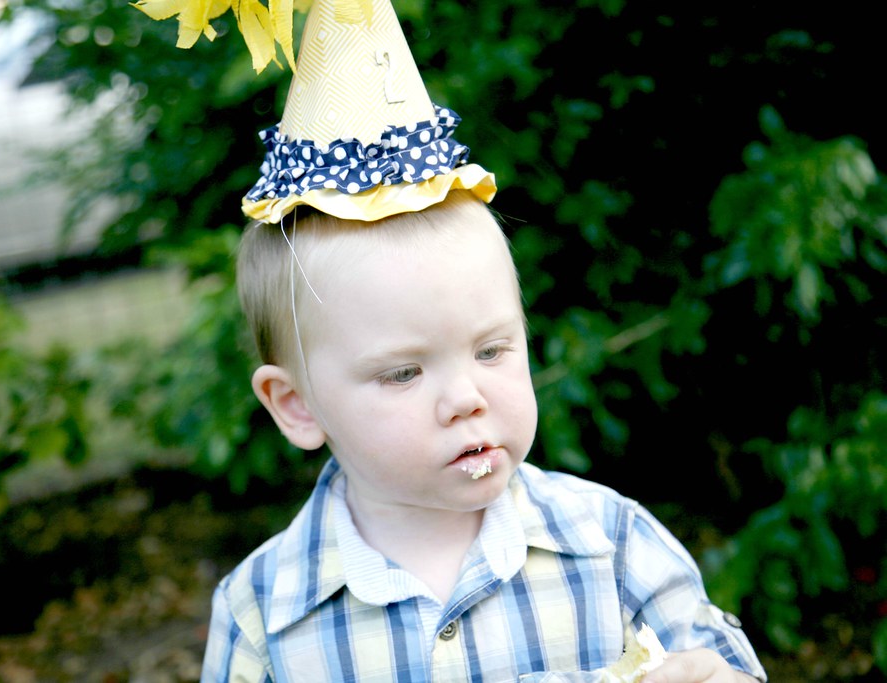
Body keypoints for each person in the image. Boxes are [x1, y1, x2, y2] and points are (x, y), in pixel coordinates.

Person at [133, 0, 769, 680]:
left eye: (492, 350)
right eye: (404, 372)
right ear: (297, 404)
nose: (466, 398)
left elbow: (725, 667)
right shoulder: (264, 619)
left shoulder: (615, 547)